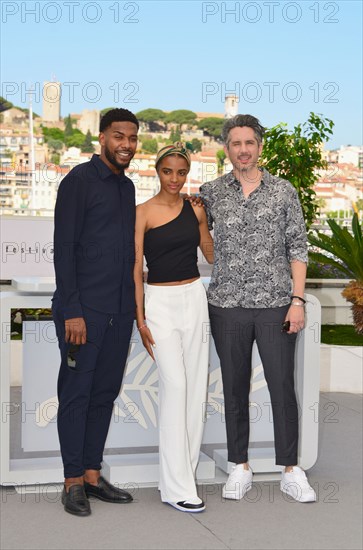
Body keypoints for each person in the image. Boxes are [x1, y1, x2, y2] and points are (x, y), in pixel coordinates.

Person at [199, 114, 317, 503]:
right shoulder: (211, 192)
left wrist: (297, 301)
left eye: (250, 142)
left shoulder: (284, 191)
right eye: (236, 143)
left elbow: (297, 249)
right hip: (227, 305)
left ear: (259, 146)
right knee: (233, 387)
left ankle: (290, 469)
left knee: (283, 386)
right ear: (227, 148)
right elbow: (209, 248)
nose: (243, 150)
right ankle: (239, 466)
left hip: (275, 305)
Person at [52, 108, 139, 516]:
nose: (126, 145)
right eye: (119, 136)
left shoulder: (127, 188)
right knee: (76, 395)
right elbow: (63, 249)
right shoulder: (78, 182)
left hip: (118, 314)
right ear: (102, 138)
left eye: (132, 138)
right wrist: (71, 310)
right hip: (82, 313)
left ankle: (91, 474)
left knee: (104, 394)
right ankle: (71, 482)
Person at [134, 142, 214, 513]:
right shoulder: (142, 213)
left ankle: (183, 478)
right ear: (157, 171)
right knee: (176, 387)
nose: (175, 179)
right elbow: (135, 269)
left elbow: (211, 254)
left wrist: (210, 219)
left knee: (196, 389)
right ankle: (178, 486)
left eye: (181, 172)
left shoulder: (194, 209)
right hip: (160, 304)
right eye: (168, 171)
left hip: (194, 298)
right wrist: (140, 316)